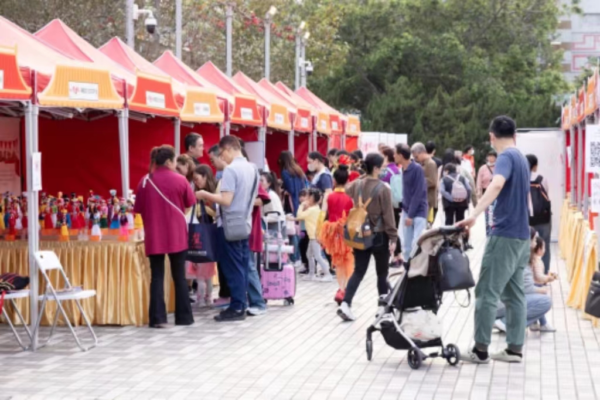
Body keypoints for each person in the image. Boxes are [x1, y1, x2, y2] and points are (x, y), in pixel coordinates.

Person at [457, 115, 531, 363]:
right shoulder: (520, 157)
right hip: (521, 237)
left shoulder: (506, 158)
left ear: (491, 136)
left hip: (505, 236)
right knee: (514, 294)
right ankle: (514, 349)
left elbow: (497, 184)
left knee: (487, 292)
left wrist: (474, 214)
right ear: (515, 134)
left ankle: (480, 350)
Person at [195, 136, 258, 322]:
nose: (222, 158)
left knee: (233, 267)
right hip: (245, 223)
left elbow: (226, 200)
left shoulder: (231, 170)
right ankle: (241, 304)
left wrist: (205, 194)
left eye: (222, 154)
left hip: (230, 224)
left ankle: (237, 306)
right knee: (243, 266)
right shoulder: (252, 168)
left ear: (229, 149)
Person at [134, 145, 195, 328]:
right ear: (169, 161)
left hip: (154, 234)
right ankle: (184, 317)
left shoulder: (144, 181)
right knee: (179, 277)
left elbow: (137, 209)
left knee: (157, 276)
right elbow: (190, 203)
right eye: (175, 160)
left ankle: (158, 318)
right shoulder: (181, 180)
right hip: (177, 233)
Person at [337, 153, 398, 321]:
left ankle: (346, 303)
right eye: (382, 166)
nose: (384, 168)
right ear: (376, 168)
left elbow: (347, 188)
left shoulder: (356, 185)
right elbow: (388, 216)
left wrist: (364, 176)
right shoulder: (383, 188)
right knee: (381, 273)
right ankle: (382, 308)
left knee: (359, 271)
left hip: (360, 235)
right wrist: (393, 238)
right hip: (379, 236)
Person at [495, 236, 556, 333]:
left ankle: (504, 322)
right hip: (502, 304)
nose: (536, 243)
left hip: (496, 303)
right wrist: (542, 290)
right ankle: (506, 323)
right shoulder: (524, 260)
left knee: (537, 300)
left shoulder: (512, 252)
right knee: (545, 302)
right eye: (535, 240)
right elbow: (526, 289)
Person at [320, 160, 354, 304]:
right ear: (347, 180)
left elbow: (322, 214)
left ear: (334, 180)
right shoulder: (349, 198)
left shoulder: (329, 196)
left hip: (331, 232)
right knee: (346, 261)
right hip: (346, 233)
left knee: (337, 261)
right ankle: (344, 288)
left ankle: (341, 288)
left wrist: (319, 233)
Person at [187, 164, 218, 307]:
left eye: (197, 179)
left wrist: (203, 208)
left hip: (206, 237)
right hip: (204, 237)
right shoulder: (197, 193)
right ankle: (206, 298)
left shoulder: (213, 194)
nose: (196, 182)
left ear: (205, 176)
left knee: (203, 275)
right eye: (194, 180)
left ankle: (205, 298)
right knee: (205, 274)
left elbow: (216, 213)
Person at [290, 189, 333, 282]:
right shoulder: (315, 208)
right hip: (313, 236)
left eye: (308, 196)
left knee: (317, 256)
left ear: (312, 198)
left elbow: (299, 215)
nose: (306, 198)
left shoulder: (311, 210)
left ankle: (327, 274)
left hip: (315, 236)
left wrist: (302, 205)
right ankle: (311, 274)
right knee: (309, 254)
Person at [396, 143, 428, 260]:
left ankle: (418, 269)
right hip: (406, 211)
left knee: (417, 243)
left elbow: (418, 193)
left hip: (418, 211)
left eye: (395, 154)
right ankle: (407, 269)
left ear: (400, 155)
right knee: (406, 244)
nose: (394, 156)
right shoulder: (403, 169)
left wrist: (410, 215)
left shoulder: (417, 169)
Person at [278, 151, 307, 267]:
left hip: (291, 202)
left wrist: (283, 191)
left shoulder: (285, 172)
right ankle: (300, 256)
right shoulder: (298, 170)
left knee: (292, 229)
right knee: (299, 228)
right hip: (300, 200)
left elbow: (290, 188)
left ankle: (295, 256)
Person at [526, 154, 552, 274]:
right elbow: (547, 195)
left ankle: (530, 275)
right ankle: (544, 274)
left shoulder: (521, 179)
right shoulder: (542, 178)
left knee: (527, 247)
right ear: (535, 166)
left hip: (527, 220)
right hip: (543, 218)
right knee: (544, 245)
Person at [380, 146, 403, 266]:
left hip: (389, 205)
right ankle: (399, 255)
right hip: (398, 203)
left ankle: (394, 257)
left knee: (390, 230)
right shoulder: (397, 170)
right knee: (396, 230)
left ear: (385, 156)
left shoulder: (385, 172)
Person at [412, 142, 439, 225]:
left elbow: (432, 181)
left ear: (422, 152)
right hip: (422, 197)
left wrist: (418, 181)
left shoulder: (430, 164)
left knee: (423, 224)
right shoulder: (421, 163)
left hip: (428, 199)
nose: (415, 159)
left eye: (416, 156)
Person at [477, 150, 497, 236]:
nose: (491, 158)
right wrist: (479, 192)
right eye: (489, 156)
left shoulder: (498, 167)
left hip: (496, 192)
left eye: (493, 156)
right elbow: (479, 181)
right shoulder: (483, 168)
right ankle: (488, 231)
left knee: (495, 211)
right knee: (488, 212)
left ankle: (494, 230)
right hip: (486, 192)